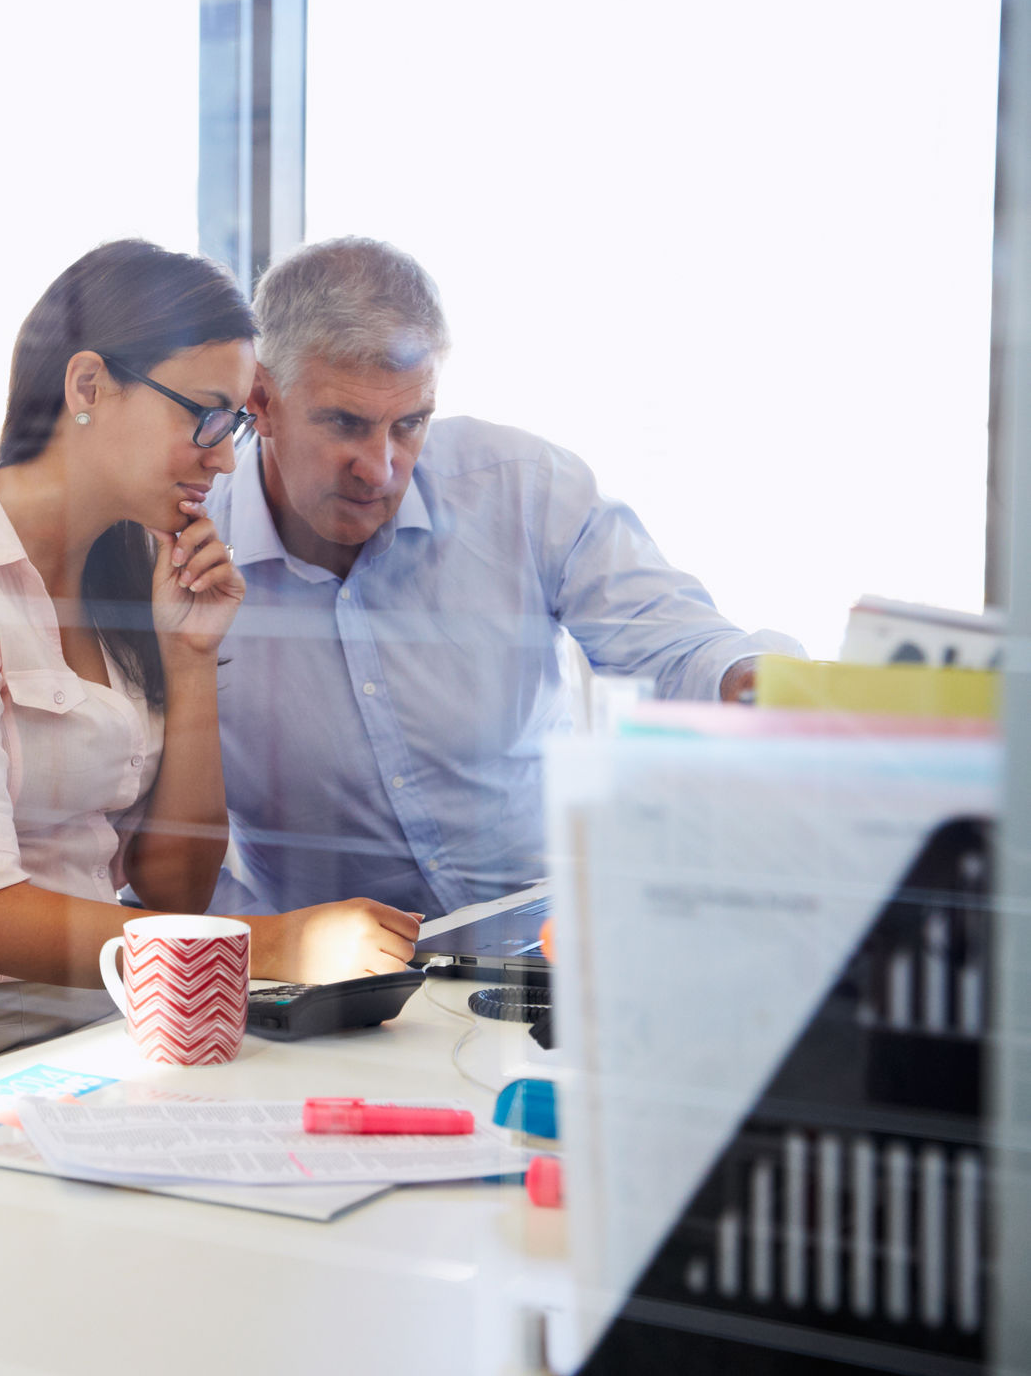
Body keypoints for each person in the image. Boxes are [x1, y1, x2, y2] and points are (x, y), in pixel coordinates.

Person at [0, 240, 421, 1105]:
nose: (224, 458)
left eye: (234, 427)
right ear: (89, 386)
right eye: (206, 417)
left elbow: (173, 885)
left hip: (96, 1014)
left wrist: (191, 659)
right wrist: (273, 945)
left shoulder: (130, 565)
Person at [207, 237, 801, 918]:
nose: (380, 468)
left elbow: (677, 647)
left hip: (553, 934)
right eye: (345, 423)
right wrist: (270, 949)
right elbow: (153, 846)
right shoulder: (185, 561)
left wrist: (750, 682)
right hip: (325, 972)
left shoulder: (524, 490)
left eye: (410, 424)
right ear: (262, 398)